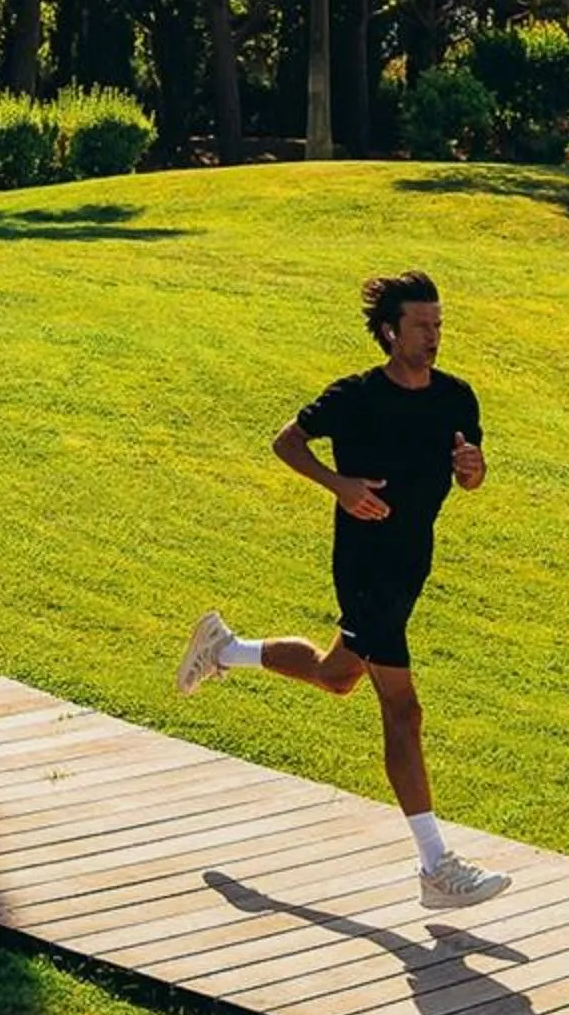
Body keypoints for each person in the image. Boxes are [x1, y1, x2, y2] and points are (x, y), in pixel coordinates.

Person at [176, 267, 511, 910]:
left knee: (336, 675)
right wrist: (340, 486)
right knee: (404, 710)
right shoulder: (355, 396)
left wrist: (473, 470)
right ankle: (436, 866)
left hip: (411, 564)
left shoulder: (456, 398)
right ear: (390, 331)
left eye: (439, 324)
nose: (435, 336)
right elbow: (286, 442)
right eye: (422, 325)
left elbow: (469, 476)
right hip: (364, 565)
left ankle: (224, 649)